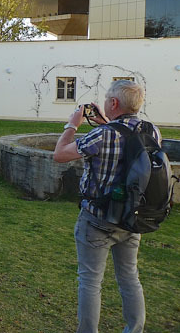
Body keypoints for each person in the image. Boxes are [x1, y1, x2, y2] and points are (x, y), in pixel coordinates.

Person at [53, 80, 159, 333]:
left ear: (113, 103)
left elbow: (59, 154)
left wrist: (72, 125)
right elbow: (125, 142)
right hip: (132, 218)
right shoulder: (152, 131)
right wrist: (106, 122)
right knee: (129, 278)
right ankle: (135, 329)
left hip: (97, 219)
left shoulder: (102, 134)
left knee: (90, 280)